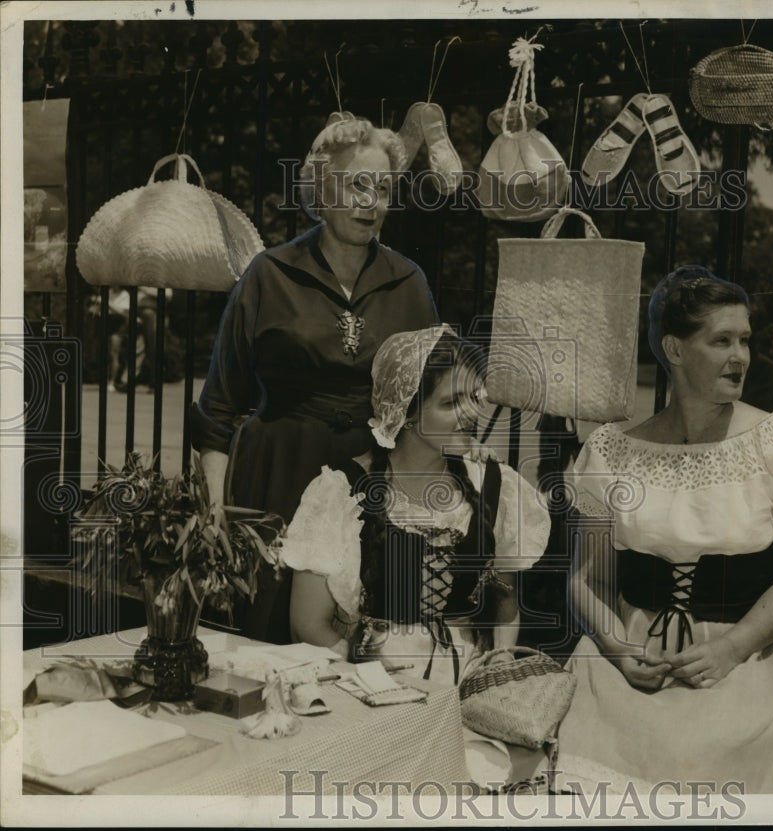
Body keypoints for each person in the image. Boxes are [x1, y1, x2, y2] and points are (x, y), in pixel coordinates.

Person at [556, 265, 773, 795]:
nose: (741, 357)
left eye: (746, 340)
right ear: (676, 350)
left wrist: (731, 649)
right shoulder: (611, 452)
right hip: (632, 656)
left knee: (701, 760)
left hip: (748, 653)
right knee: (589, 763)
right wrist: (619, 651)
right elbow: (585, 579)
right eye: (722, 341)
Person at [191, 114, 439, 643]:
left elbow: (430, 402)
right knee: (263, 641)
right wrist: (215, 512)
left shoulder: (409, 283)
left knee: (356, 644)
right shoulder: (269, 274)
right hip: (274, 478)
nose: (370, 203)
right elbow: (218, 409)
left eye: (383, 189)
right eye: (356, 186)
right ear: (321, 191)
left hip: (366, 485)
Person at [281, 326, 550, 783]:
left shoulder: (495, 489)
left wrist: (500, 666)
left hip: (467, 689)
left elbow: (506, 600)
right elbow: (307, 622)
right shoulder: (342, 491)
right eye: (450, 403)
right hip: (371, 683)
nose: (471, 414)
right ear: (404, 414)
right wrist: (371, 680)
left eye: (474, 397)